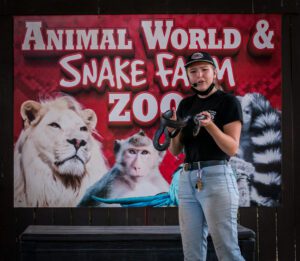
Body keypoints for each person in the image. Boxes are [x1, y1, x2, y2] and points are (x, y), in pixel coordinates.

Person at [168, 51, 245, 261]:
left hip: (217, 176)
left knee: (228, 251)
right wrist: (173, 130)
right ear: (188, 76)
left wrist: (210, 125)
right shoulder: (185, 105)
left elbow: (231, 148)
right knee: (192, 254)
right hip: (187, 179)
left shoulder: (228, 102)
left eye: (204, 70)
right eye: (193, 71)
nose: (199, 75)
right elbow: (175, 150)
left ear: (214, 72)